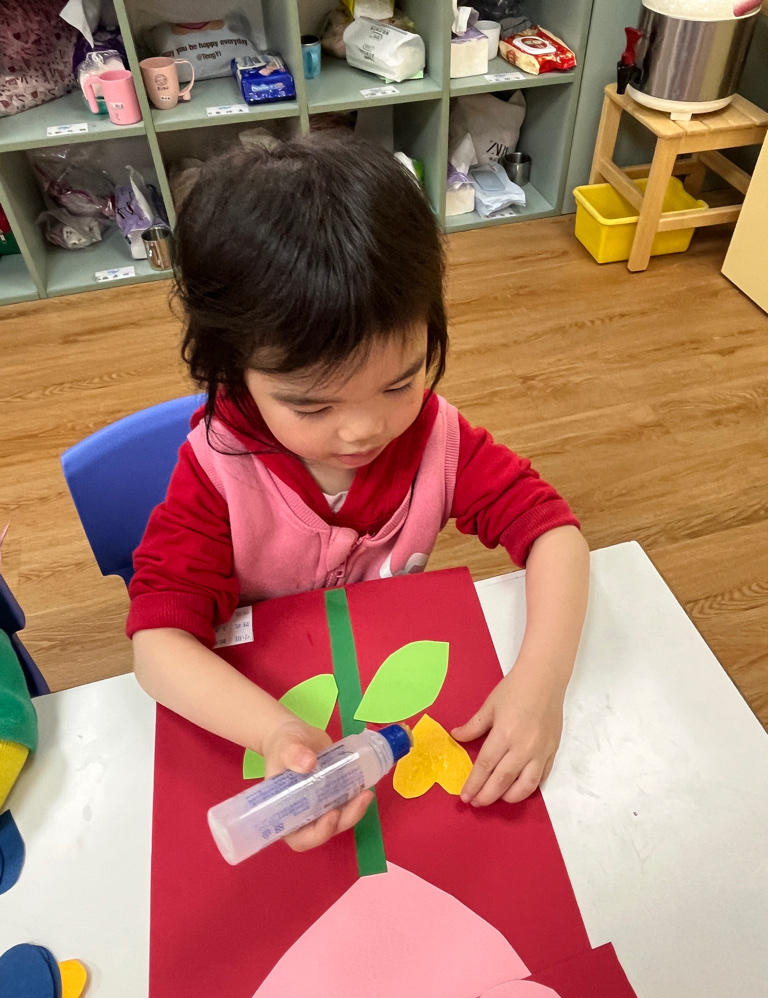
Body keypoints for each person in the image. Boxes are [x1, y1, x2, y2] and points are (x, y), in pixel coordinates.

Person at [128, 133, 590, 853]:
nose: (364, 429)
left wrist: (540, 685)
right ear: (232, 372)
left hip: (389, 675)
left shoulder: (436, 438)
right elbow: (159, 645)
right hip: (265, 696)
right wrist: (274, 732)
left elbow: (554, 532)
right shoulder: (220, 471)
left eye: (400, 383)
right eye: (313, 406)